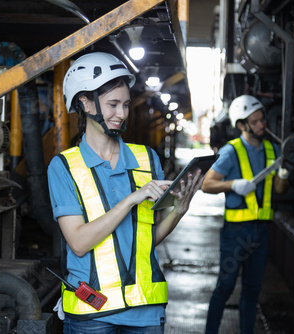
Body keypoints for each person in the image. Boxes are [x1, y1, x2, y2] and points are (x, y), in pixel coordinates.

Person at [47, 52, 204, 333]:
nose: (121, 114)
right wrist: (131, 199)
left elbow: (145, 240)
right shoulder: (64, 167)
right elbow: (79, 242)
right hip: (91, 316)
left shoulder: (147, 159)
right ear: (85, 102)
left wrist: (178, 211)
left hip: (145, 312)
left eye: (126, 105)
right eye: (113, 104)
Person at [201, 95, 289, 334]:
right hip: (236, 233)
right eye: (256, 121)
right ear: (242, 125)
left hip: (261, 231)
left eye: (263, 119)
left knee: (252, 290)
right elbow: (206, 185)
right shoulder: (232, 151)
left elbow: (279, 190)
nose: (263, 125)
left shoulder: (273, 149)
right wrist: (233, 185)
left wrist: (282, 175)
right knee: (225, 287)